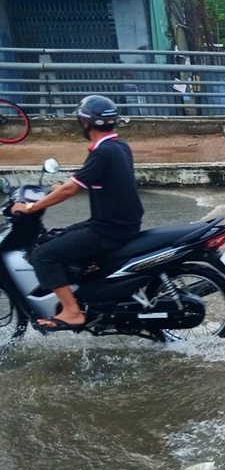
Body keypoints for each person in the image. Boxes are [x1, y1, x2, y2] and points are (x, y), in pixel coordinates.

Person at [11, 95, 143, 330]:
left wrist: (31, 207)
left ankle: (72, 311)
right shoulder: (119, 146)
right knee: (57, 237)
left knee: (43, 255)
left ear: (85, 122)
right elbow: (88, 180)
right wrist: (59, 187)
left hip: (108, 230)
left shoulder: (102, 152)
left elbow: (71, 189)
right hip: (120, 224)